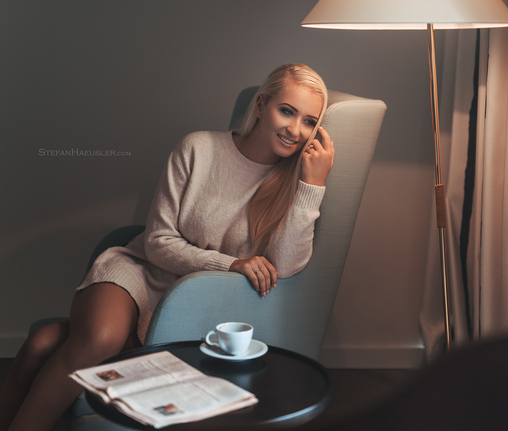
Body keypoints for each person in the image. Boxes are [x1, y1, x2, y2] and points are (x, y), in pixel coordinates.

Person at [0, 63, 335, 431]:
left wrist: (312, 186)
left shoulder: (295, 183)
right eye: (286, 111)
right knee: (101, 338)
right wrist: (230, 264)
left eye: (309, 121)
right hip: (139, 271)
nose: (294, 130)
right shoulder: (198, 148)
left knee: (42, 344)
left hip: (187, 302)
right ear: (260, 105)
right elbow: (158, 243)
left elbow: (285, 267)